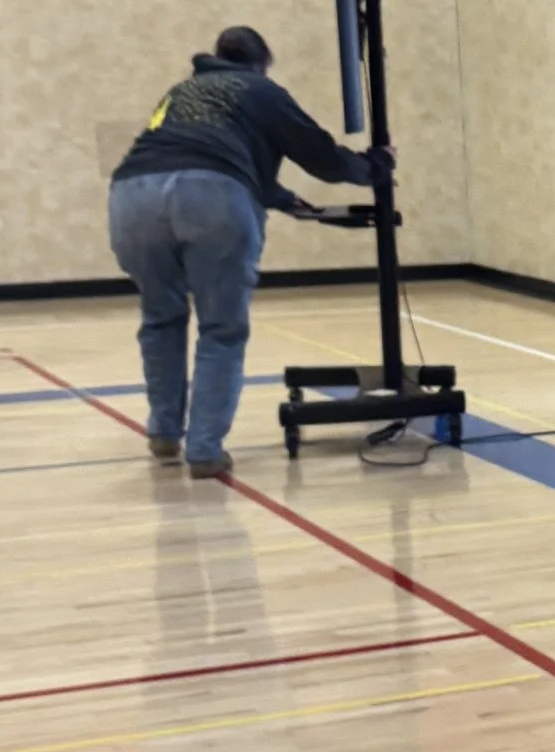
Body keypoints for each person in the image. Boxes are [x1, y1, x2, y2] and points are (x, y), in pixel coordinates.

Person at [107, 25, 378, 477]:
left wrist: (282, 198)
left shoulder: (180, 93)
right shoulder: (259, 88)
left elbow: (205, 150)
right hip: (212, 200)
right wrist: (372, 169)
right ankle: (205, 451)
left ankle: (164, 431)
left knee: (161, 318)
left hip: (132, 196)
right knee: (221, 328)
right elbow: (321, 156)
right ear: (261, 63)